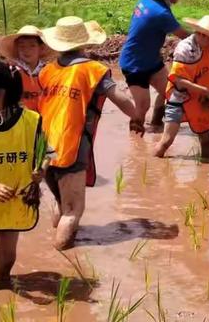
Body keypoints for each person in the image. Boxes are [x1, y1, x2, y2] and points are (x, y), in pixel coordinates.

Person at [39, 16, 144, 250]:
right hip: (71, 147)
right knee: (73, 210)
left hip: (42, 149)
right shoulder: (92, 70)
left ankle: (49, 248)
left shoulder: (47, 70)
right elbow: (121, 99)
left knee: (60, 201)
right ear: (84, 43)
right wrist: (137, 117)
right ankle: (63, 256)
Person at [0, 59, 52, 281]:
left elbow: (47, 152)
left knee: (7, 260)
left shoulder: (31, 120)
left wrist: (41, 170)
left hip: (14, 198)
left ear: (5, 93)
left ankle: (2, 283)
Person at [119, 0, 195, 130]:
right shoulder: (161, 13)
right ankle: (136, 139)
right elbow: (185, 36)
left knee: (169, 90)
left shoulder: (146, 0)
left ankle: (156, 122)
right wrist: (208, 38)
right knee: (143, 105)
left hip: (152, 60)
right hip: (135, 64)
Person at [153, 16, 209, 159]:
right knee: (166, 141)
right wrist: (204, 90)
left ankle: (207, 173)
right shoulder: (184, 49)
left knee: (206, 140)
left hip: (198, 100)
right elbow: (178, 80)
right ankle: (152, 167)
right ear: (202, 34)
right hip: (179, 99)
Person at [0, 26, 51, 112]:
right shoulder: (12, 72)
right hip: (21, 119)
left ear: (41, 48)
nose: (27, 50)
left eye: (32, 46)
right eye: (22, 46)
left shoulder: (50, 71)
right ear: (17, 49)